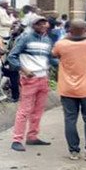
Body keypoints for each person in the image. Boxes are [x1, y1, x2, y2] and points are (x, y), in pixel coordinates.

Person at [52, 19, 86, 161]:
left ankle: (74, 152)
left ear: (69, 29)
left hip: (67, 88)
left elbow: (54, 54)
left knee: (70, 119)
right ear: (85, 30)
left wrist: (67, 36)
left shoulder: (61, 44)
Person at [8, 17, 56, 152]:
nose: (42, 25)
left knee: (39, 110)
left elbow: (50, 59)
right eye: (38, 23)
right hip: (30, 78)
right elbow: (12, 56)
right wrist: (24, 70)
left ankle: (32, 136)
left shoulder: (47, 40)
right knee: (24, 110)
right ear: (32, 25)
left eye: (44, 22)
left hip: (43, 77)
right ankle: (17, 140)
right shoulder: (25, 38)